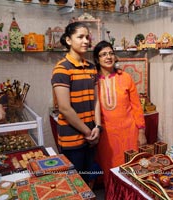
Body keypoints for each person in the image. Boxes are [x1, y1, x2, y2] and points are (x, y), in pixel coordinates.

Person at [51, 22, 101, 184]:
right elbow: (64, 108)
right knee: (74, 183)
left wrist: (98, 127)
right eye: (80, 37)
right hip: (72, 139)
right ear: (68, 40)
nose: (86, 41)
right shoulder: (62, 69)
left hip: (92, 135)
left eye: (87, 37)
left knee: (88, 178)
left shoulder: (92, 68)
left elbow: (96, 101)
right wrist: (88, 132)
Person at [93, 40, 147, 187]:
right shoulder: (93, 81)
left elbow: (136, 107)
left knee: (131, 169)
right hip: (107, 136)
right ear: (97, 59)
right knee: (109, 170)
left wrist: (141, 131)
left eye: (111, 53)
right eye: (103, 54)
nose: (108, 57)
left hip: (129, 133)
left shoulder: (125, 77)